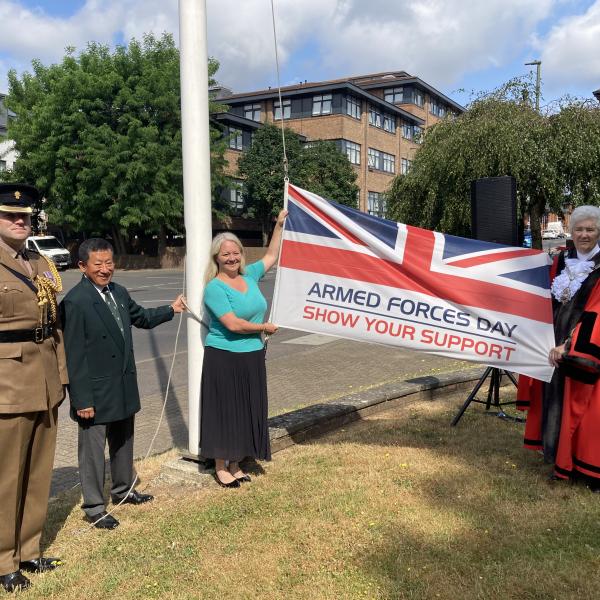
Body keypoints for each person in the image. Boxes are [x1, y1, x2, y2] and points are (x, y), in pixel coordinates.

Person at [61, 238, 186, 528]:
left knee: (123, 443)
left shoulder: (118, 292)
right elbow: (74, 355)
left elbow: (140, 317)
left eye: (109, 263)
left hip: (122, 385)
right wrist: (82, 400)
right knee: (93, 453)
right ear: (82, 266)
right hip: (95, 392)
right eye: (98, 264)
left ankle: (123, 490)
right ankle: (94, 506)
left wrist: (171, 309)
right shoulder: (75, 302)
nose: (106, 269)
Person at [0, 183, 68, 593]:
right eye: (9, 215)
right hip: (7, 382)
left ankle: (29, 549)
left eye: (24, 216)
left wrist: (61, 377)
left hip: (43, 378)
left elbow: (53, 326)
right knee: (7, 475)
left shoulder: (39, 262)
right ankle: (4, 559)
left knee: (38, 471)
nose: (19, 221)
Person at [201, 210, 287, 487]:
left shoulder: (249, 275)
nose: (231, 258)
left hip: (251, 354)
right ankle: (220, 466)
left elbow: (272, 256)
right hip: (224, 356)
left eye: (235, 253)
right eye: (225, 254)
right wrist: (264, 328)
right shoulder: (214, 287)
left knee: (246, 408)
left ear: (241, 254)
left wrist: (279, 225)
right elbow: (233, 324)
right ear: (217, 258)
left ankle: (236, 462)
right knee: (224, 410)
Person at [518, 206, 600, 490]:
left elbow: (597, 311)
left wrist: (568, 345)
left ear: (598, 231)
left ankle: (580, 466)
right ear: (571, 231)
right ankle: (556, 455)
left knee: (582, 405)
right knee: (553, 401)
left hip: (582, 346)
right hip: (550, 343)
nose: (584, 234)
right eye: (579, 229)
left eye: (590, 229)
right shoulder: (561, 259)